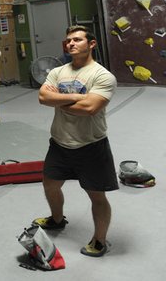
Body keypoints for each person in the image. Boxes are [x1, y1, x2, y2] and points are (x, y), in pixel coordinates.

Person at [34, 25, 118, 257]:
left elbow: (90, 108)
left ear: (91, 44)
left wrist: (58, 99)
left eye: (77, 40)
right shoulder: (58, 72)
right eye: (68, 40)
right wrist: (75, 97)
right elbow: (43, 97)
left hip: (91, 145)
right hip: (60, 143)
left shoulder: (102, 75)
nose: (71, 43)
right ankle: (57, 219)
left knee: (96, 195)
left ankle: (99, 240)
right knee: (50, 184)